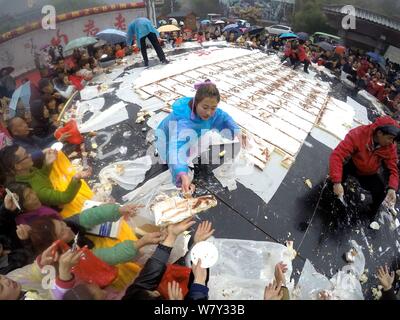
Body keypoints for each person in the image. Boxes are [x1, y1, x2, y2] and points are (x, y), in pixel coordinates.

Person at [156, 80, 247, 194]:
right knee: (173, 160)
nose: (209, 112)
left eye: (213, 108)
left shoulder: (209, 113)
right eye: (205, 107)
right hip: (167, 138)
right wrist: (182, 174)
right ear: (196, 103)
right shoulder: (185, 123)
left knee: (194, 145)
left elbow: (223, 117)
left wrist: (236, 131)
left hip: (185, 136)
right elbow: (176, 148)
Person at [24, 203, 161, 266]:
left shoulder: (67, 224)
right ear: (56, 244)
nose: (67, 228)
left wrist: (119, 210)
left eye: (61, 223)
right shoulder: (70, 257)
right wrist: (141, 242)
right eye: (62, 231)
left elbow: (92, 215)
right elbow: (109, 256)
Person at [122, 219, 211, 300]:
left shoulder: (133, 296)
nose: (156, 291)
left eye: (151, 291)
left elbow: (144, 282)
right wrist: (199, 282)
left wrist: (171, 236)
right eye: (155, 294)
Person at [329, 116, 400, 215]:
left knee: (381, 192)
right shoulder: (358, 134)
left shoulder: (390, 147)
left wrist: (392, 188)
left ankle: (371, 212)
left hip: (369, 172)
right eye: (390, 138)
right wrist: (337, 182)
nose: (391, 142)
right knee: (334, 180)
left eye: (393, 140)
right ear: (379, 133)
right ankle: (333, 194)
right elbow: (337, 155)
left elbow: (393, 169)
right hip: (353, 164)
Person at [0, 146, 89, 206]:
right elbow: (65, 198)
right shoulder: (33, 190)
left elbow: (42, 177)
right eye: (26, 156)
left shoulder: (27, 171)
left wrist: (47, 163)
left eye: (27, 153)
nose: (30, 155)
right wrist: (76, 178)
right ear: (17, 166)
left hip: (54, 187)